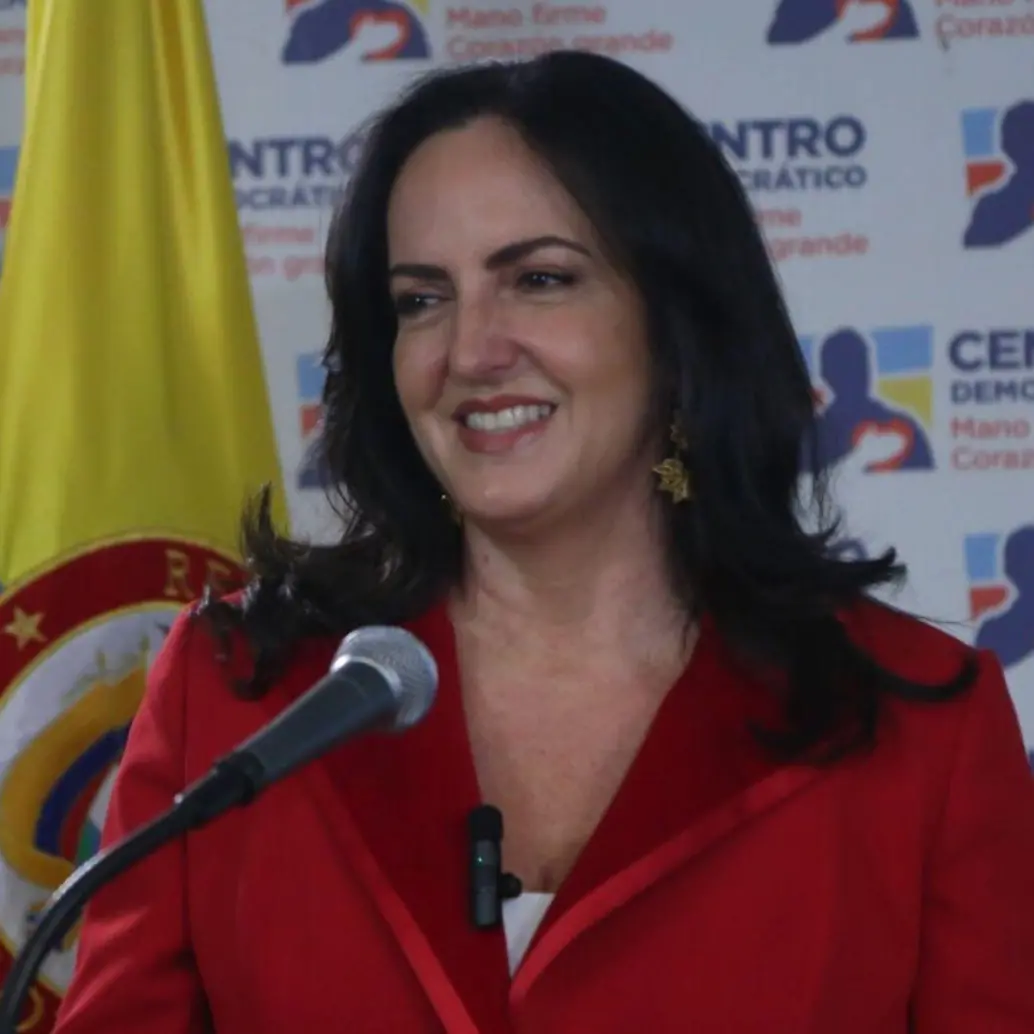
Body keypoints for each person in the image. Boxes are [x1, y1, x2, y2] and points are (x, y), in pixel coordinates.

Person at [53, 51, 1034, 1033]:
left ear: (677, 320)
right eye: (420, 299)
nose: (472, 351)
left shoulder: (916, 735)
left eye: (538, 278)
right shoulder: (233, 695)